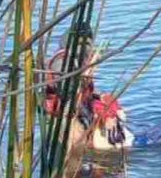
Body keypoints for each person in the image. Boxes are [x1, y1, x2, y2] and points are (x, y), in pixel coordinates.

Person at [43, 22, 133, 150]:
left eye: (87, 43)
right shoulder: (62, 62)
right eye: (80, 43)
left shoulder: (80, 60)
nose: (84, 47)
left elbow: (85, 93)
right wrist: (101, 111)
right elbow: (69, 93)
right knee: (77, 154)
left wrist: (104, 100)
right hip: (65, 119)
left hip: (80, 113)